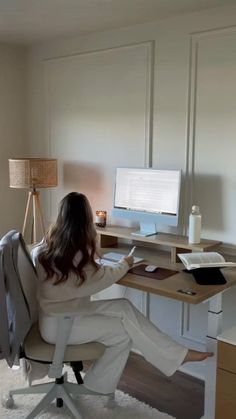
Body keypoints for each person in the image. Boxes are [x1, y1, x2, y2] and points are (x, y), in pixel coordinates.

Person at [31, 192, 213, 395]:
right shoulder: (75, 255)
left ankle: (178, 355)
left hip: (56, 315)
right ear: (85, 220)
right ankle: (98, 387)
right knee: (122, 333)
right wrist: (125, 263)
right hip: (62, 324)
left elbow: (88, 278)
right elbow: (102, 278)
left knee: (124, 307)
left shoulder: (45, 246)